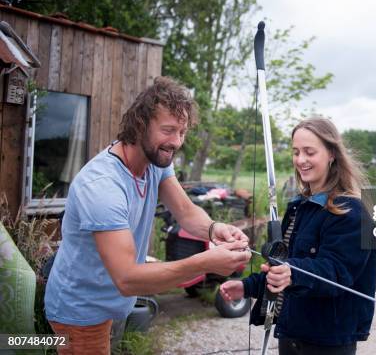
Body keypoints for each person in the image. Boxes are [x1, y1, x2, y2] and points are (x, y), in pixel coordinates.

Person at [45, 77, 251, 354]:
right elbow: (128, 278)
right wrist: (204, 263)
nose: (176, 142)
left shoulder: (156, 162)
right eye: (168, 130)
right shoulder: (103, 185)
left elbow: (186, 212)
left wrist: (216, 229)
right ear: (140, 125)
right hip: (80, 313)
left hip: (109, 305)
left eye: (182, 131)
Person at [220, 117, 376, 355]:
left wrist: (292, 273)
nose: (301, 160)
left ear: (331, 154)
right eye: (296, 152)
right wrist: (247, 286)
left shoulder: (352, 213)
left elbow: (336, 271)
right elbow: (282, 267)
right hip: (292, 331)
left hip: (328, 341)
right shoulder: (299, 208)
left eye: (309, 152)